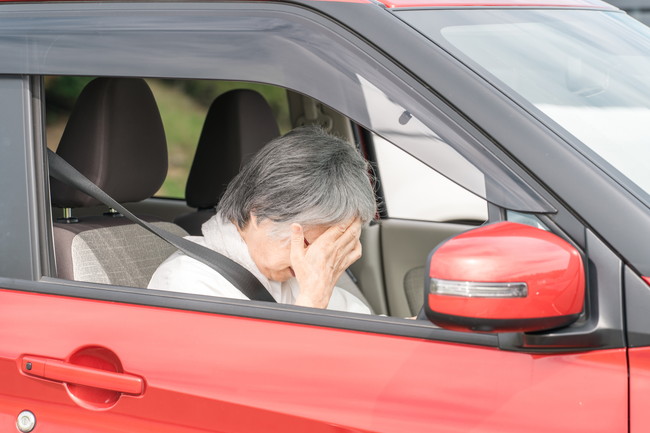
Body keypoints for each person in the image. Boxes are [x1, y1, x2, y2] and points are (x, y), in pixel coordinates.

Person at [148, 127, 377, 314]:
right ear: (261, 210)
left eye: (333, 246)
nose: (316, 261)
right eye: (309, 244)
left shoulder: (292, 272)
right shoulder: (187, 285)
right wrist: (311, 304)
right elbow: (255, 370)